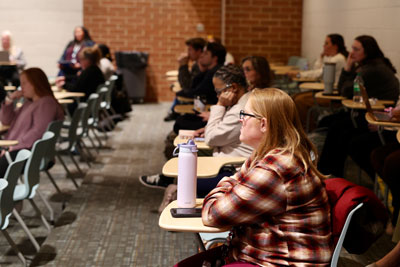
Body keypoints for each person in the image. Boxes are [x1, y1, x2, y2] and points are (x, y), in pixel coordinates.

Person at [175, 88, 332, 266]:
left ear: (263, 124)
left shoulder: (275, 168)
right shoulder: (269, 155)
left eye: (245, 114)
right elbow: (232, 188)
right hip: (264, 254)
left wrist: (228, 184)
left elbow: (213, 214)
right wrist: (232, 184)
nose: (240, 119)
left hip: (282, 262)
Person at [141, 65, 253, 196]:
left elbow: (211, 139)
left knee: (184, 179)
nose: (218, 96)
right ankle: (170, 183)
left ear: (233, 88)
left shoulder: (240, 109)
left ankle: (171, 186)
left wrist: (219, 105)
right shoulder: (242, 103)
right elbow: (219, 132)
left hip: (232, 169)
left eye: (219, 91)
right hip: (225, 161)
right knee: (183, 147)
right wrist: (208, 128)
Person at [318, 35, 399, 177]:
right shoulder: (369, 65)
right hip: (372, 113)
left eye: (356, 49)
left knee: (342, 132)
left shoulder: (372, 69)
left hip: (381, 116)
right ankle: (328, 173)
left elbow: (344, 90)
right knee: (334, 125)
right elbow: (344, 90)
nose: (351, 53)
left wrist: (348, 67)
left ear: (367, 51)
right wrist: (349, 67)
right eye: (352, 48)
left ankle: (328, 174)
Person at [0, 67, 64, 177]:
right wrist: (9, 100)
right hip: (20, 149)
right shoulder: (29, 103)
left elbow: (38, 132)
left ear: (36, 83)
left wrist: (12, 147)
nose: (22, 87)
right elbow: (6, 120)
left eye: (24, 83)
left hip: (29, 153)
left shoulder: (46, 103)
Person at [291, 34, 348, 129]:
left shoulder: (338, 59)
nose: (323, 46)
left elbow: (319, 73)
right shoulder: (331, 58)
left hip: (333, 94)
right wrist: (321, 57)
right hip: (325, 90)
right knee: (295, 97)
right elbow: (316, 69)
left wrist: (299, 75)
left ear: (335, 46)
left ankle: (307, 128)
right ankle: (302, 127)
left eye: (326, 43)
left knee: (299, 101)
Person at [173, 42, 226, 133]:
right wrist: (202, 69)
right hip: (206, 108)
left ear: (215, 58)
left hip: (211, 111)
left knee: (180, 123)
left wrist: (179, 93)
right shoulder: (210, 70)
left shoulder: (215, 73)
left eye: (206, 53)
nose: (202, 56)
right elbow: (193, 85)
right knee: (180, 120)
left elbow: (197, 91)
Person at [164, 37, 206, 121]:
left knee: (180, 93)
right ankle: (174, 112)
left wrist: (183, 65)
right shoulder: (196, 64)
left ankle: (174, 113)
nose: (188, 53)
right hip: (197, 95)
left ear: (199, 51)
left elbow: (186, 85)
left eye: (190, 50)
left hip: (201, 99)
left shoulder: (201, 65)